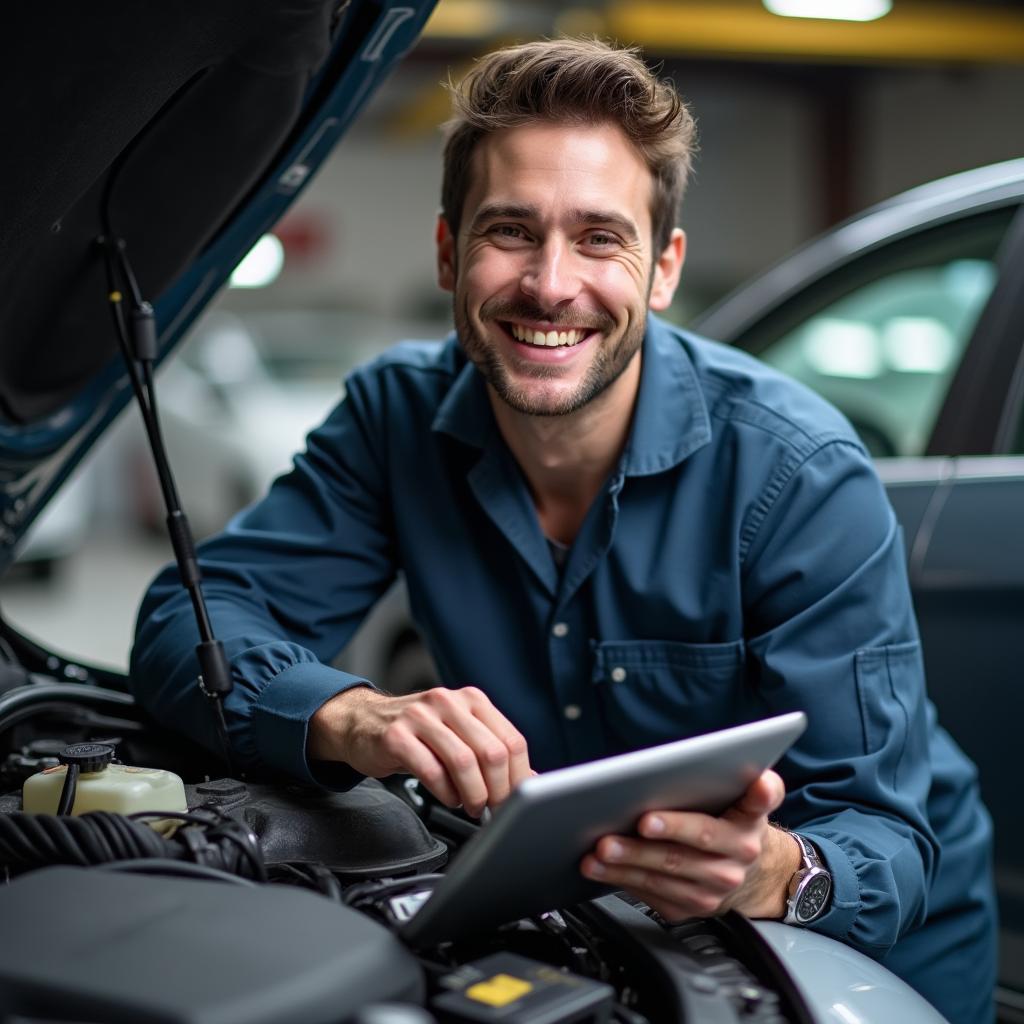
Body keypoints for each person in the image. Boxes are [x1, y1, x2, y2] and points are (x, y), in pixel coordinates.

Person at [131, 38, 995, 1021]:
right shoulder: (394, 420)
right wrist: (352, 716)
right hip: (588, 921)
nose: (550, 284)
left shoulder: (796, 474)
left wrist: (772, 871)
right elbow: (185, 625)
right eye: (510, 231)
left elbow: (885, 835)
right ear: (450, 251)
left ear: (662, 269)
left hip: (855, 952)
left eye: (598, 237)